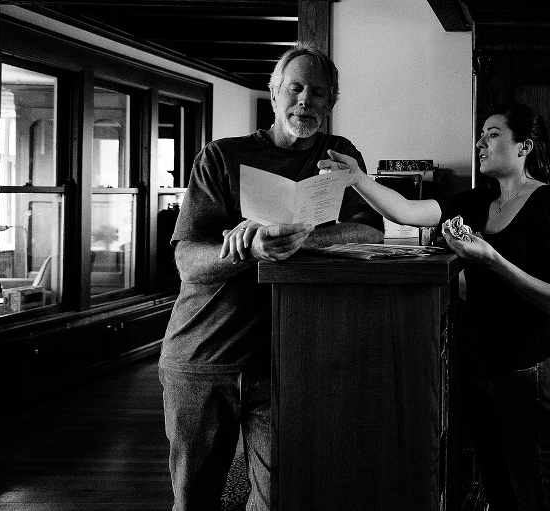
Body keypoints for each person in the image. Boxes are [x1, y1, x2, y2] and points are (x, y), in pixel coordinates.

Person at [315, 102, 550, 510]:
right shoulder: (479, 201)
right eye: (481, 135)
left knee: (538, 499)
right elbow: (408, 211)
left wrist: (492, 260)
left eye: (493, 134)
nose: (481, 143)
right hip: (476, 370)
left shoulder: (547, 203)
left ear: (524, 147)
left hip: (527, 374)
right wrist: (357, 179)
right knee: (499, 492)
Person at [159, 42, 383, 511]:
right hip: (203, 355)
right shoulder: (221, 156)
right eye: (295, 88)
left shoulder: (339, 153)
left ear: (330, 102)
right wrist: (252, 250)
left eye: (317, 92)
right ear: (275, 93)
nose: (305, 100)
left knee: (280, 498)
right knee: (193, 500)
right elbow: (188, 262)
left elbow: (369, 228)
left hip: (287, 363)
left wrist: (305, 239)